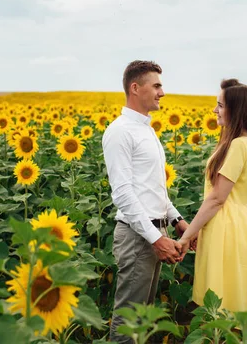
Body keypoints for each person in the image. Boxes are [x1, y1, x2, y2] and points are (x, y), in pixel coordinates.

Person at [102, 60, 189, 343]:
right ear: (135, 88)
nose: (162, 92)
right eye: (157, 85)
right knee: (129, 322)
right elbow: (124, 193)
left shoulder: (146, 129)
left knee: (144, 318)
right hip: (139, 236)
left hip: (154, 231)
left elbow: (154, 188)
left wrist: (176, 220)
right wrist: (155, 238)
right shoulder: (120, 131)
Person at [178, 78, 247, 318]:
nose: (215, 110)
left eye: (220, 105)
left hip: (225, 228)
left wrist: (187, 236)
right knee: (234, 296)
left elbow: (217, 198)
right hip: (239, 226)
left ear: (236, 110)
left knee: (220, 303)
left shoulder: (238, 145)